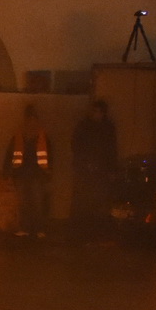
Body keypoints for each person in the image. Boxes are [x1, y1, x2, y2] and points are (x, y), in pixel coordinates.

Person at [69, 99, 118, 239]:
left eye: (98, 112)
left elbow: (112, 150)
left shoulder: (107, 128)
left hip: (100, 172)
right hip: (85, 172)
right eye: (94, 111)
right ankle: (82, 232)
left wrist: (111, 169)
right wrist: (85, 164)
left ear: (103, 113)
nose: (95, 114)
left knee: (98, 202)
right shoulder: (84, 126)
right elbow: (76, 147)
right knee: (83, 202)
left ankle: (95, 233)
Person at [4, 104, 51, 236]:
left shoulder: (37, 136)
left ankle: (37, 228)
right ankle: (26, 228)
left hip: (35, 174)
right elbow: (10, 154)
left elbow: (10, 154)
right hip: (23, 174)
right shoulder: (24, 136)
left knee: (37, 202)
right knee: (23, 202)